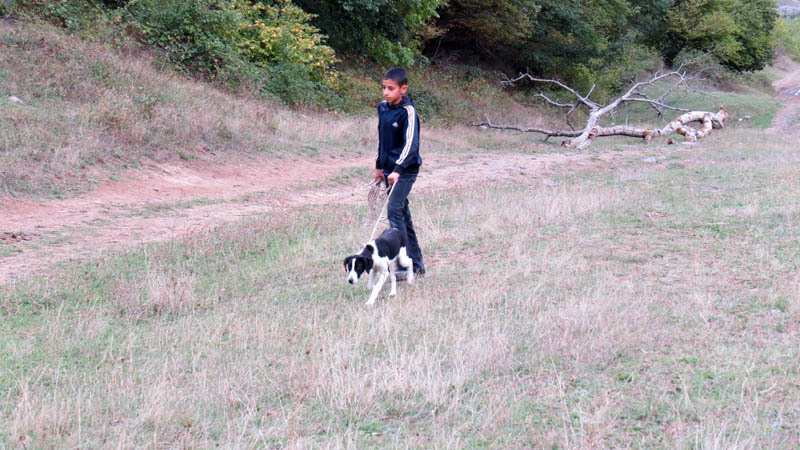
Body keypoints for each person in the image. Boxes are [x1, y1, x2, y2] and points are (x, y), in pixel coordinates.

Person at [375, 67, 425, 278]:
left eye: (391, 88)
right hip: (389, 170)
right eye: (384, 88)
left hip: (405, 170)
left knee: (394, 210)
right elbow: (383, 140)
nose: (386, 92)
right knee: (403, 215)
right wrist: (379, 166)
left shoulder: (408, 112)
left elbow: (411, 145)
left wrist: (397, 169)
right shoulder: (383, 108)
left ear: (403, 89)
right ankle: (417, 265)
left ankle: (404, 267)